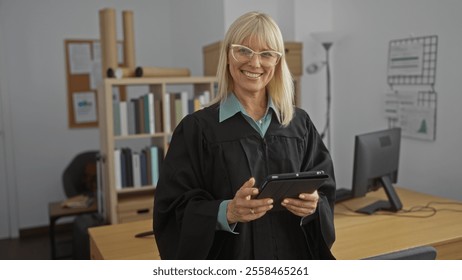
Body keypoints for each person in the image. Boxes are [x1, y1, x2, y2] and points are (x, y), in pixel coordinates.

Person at [153, 11, 336, 260]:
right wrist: (227, 211)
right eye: (244, 50)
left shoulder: (298, 123)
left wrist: (314, 205)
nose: (255, 63)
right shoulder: (197, 129)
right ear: (228, 55)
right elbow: (172, 210)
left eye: (267, 54)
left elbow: (324, 190)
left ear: (278, 62)